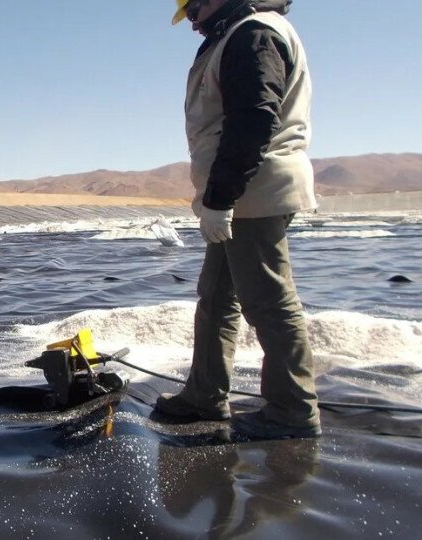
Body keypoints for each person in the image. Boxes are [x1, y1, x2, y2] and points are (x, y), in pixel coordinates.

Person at [153, 0, 320, 439]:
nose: (192, 25)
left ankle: (292, 411)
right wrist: (218, 197)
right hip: (239, 190)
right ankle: (205, 394)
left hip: (254, 190)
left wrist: (221, 198)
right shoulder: (233, 34)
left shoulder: (254, 34)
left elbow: (254, 120)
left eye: (193, 13)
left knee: (267, 300)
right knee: (216, 296)